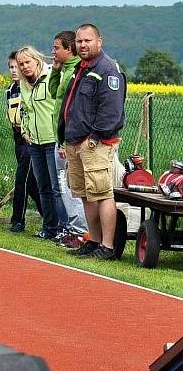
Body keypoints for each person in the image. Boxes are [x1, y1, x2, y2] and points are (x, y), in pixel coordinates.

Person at [60, 24, 126, 260]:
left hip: (95, 143)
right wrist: (64, 137)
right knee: (85, 194)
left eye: (88, 40)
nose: (83, 45)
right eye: (79, 41)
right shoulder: (82, 68)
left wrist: (95, 138)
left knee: (101, 193)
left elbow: (112, 111)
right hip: (75, 140)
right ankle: (94, 240)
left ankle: (108, 247)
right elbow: (70, 105)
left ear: (100, 41)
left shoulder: (107, 70)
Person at [15, 46, 66, 240]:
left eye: (28, 62)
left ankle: (64, 227)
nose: (25, 67)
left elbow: (60, 107)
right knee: (42, 186)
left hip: (52, 140)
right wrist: (25, 131)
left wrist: (60, 134)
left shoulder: (52, 77)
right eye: (21, 64)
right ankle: (49, 227)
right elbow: (25, 110)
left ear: (37, 61)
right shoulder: (23, 84)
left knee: (57, 187)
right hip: (34, 142)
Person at [48, 30, 88, 247]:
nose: (53, 52)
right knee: (62, 188)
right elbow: (54, 93)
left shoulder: (76, 71)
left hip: (68, 140)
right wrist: (55, 71)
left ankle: (80, 231)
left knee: (70, 187)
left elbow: (71, 108)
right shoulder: (65, 70)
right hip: (60, 138)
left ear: (68, 49)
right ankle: (70, 228)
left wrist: (64, 142)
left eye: (56, 48)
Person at [5, 52, 43, 232]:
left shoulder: (30, 87)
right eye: (11, 67)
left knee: (22, 178)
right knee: (32, 182)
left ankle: (17, 220)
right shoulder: (11, 90)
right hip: (18, 138)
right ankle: (49, 215)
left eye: (17, 66)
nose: (15, 70)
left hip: (30, 138)